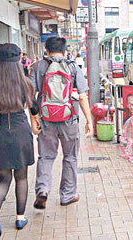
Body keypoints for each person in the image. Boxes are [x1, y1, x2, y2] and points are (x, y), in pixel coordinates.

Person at [0, 43, 39, 237]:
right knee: (21, 177)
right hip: (20, 131)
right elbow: (34, 108)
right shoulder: (25, 82)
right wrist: (35, 123)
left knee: (3, 178)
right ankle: (20, 218)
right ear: (18, 60)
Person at [30, 36, 93, 209]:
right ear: (64, 51)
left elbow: (30, 96)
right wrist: (89, 120)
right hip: (69, 118)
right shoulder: (72, 67)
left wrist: (33, 118)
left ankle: (42, 190)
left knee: (46, 156)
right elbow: (82, 96)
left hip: (46, 120)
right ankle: (68, 195)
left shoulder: (38, 66)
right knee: (70, 157)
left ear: (46, 50)